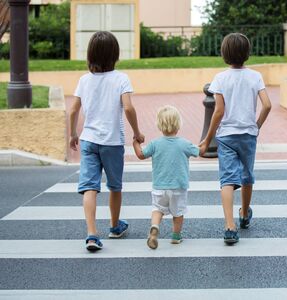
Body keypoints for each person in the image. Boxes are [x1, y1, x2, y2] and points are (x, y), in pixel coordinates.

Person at [69, 31, 145, 252]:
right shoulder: (121, 78)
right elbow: (129, 107)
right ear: (115, 55)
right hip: (112, 142)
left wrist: (74, 133)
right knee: (115, 186)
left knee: (89, 187)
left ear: (90, 54)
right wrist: (137, 133)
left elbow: (74, 109)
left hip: (89, 140)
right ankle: (114, 226)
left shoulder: (84, 80)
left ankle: (92, 234)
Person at [199, 33, 272, 245]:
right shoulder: (255, 76)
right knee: (247, 175)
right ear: (247, 53)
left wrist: (207, 137)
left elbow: (219, 111)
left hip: (226, 136)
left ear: (224, 54)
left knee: (227, 180)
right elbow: (267, 105)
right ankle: (244, 213)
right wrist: (256, 126)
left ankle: (230, 227)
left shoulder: (220, 78)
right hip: (248, 135)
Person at [133, 105, 199, 249]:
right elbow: (199, 151)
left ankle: (155, 227)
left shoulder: (155, 144)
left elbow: (140, 155)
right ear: (178, 124)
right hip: (178, 187)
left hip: (159, 187)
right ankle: (175, 236)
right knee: (178, 213)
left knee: (157, 209)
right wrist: (206, 141)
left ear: (159, 125)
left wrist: (135, 143)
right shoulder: (184, 143)